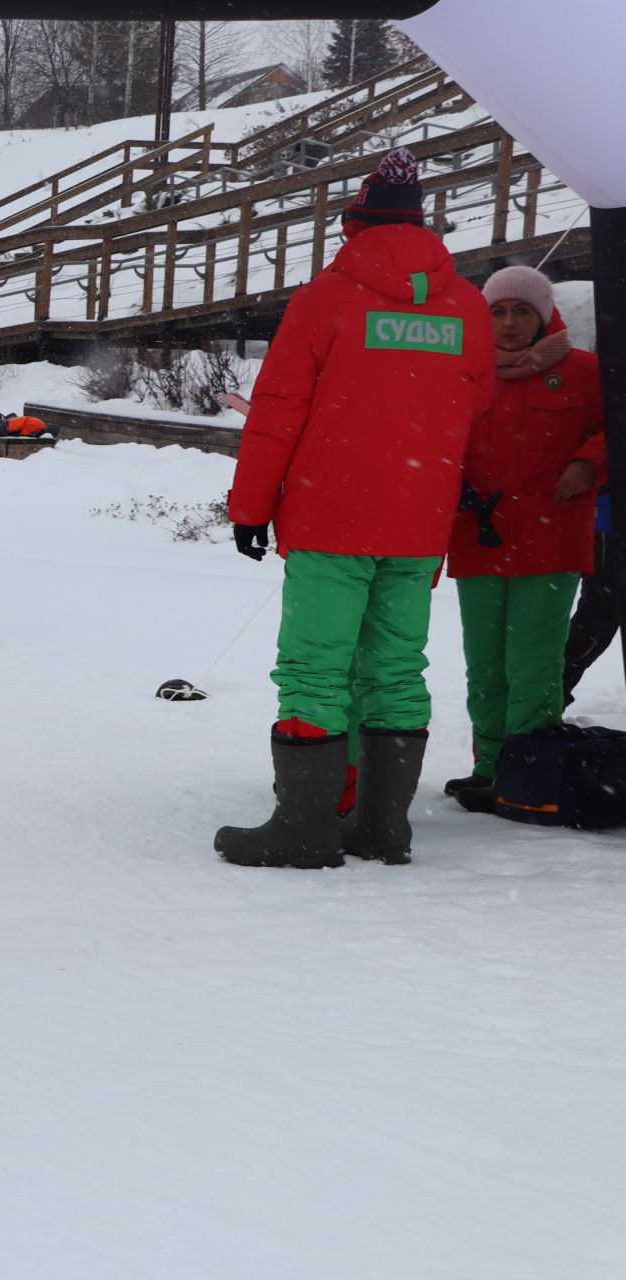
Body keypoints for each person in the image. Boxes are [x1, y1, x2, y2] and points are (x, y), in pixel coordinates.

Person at [214, 147, 496, 870]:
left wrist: (249, 508)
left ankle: (305, 828)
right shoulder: (466, 306)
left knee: (314, 667)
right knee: (396, 669)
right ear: (423, 226)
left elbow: (277, 413)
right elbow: (479, 411)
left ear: (353, 225)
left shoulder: (325, 301)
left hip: (330, 517)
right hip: (418, 520)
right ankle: (381, 827)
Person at [441, 265, 607, 810]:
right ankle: (490, 770)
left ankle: (528, 776)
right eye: (498, 311)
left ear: (543, 315)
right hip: (479, 540)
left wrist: (589, 462)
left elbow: (615, 428)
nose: (509, 323)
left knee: (533, 665)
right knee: (485, 666)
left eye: (521, 311)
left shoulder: (583, 371)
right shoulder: (464, 373)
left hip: (551, 544)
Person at [563, 483, 622, 708]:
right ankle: (548, 695)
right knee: (597, 620)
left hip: (607, 522)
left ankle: (548, 694)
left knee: (597, 620)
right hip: (610, 525)